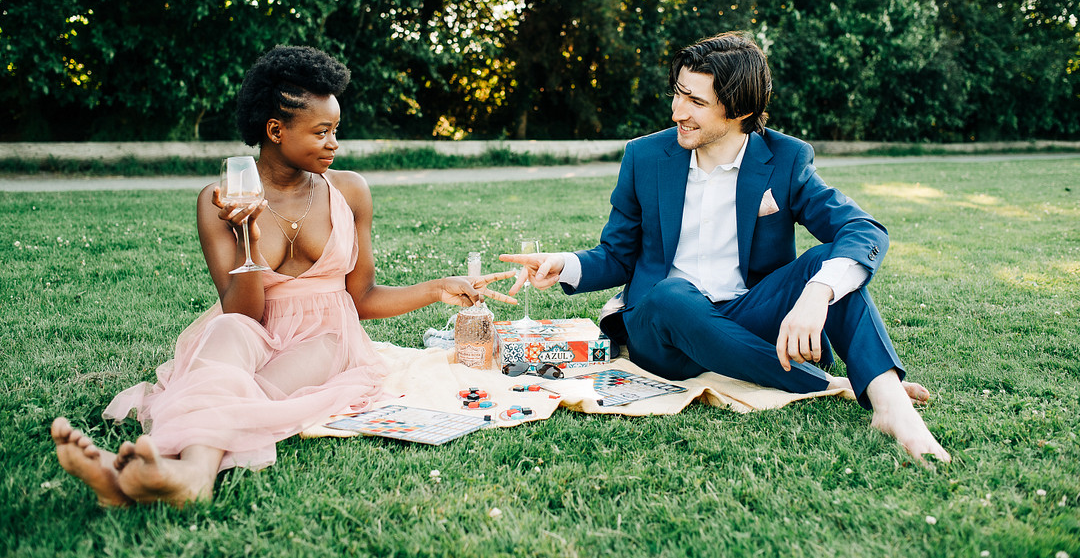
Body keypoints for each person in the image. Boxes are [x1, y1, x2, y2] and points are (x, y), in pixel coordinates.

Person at [51, 45, 516, 507]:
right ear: (275, 130)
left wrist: (439, 287)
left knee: (249, 388)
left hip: (327, 337)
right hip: (254, 326)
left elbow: (364, 298)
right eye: (322, 132)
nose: (335, 143)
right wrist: (248, 235)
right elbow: (243, 311)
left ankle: (184, 472)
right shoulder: (218, 200)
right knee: (227, 334)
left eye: (336, 131)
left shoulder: (350, 191)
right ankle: (170, 475)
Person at [502, 31, 950, 465]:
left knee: (826, 263)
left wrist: (817, 294)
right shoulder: (645, 156)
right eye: (678, 93)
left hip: (743, 316)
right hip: (662, 329)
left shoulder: (787, 159)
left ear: (739, 109)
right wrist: (564, 264)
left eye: (696, 102)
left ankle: (890, 403)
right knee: (672, 293)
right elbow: (618, 254)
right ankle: (831, 382)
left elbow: (862, 229)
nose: (678, 111)